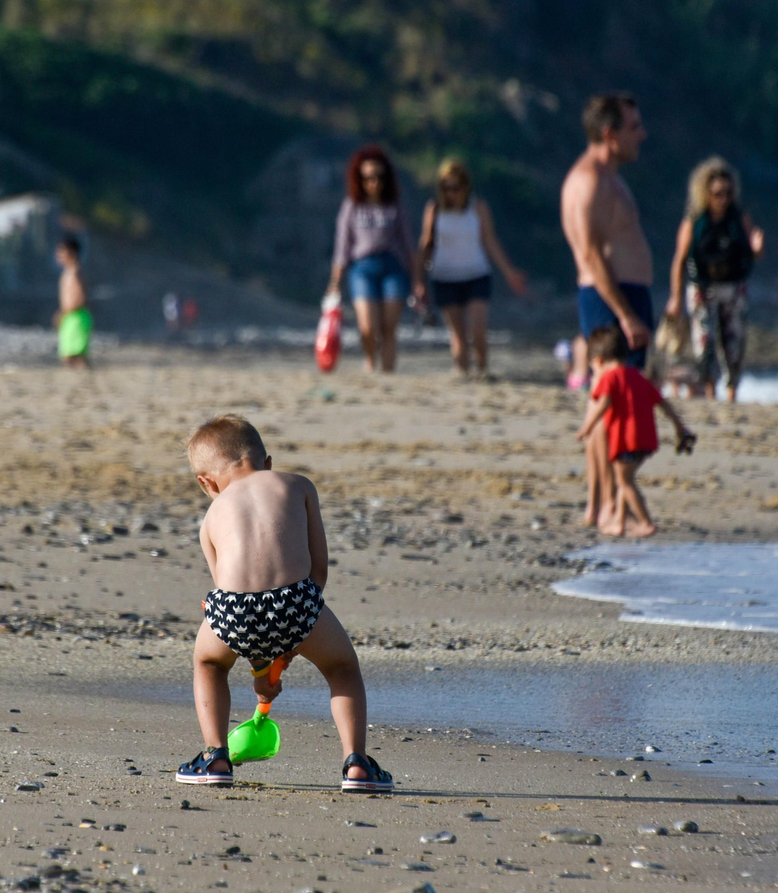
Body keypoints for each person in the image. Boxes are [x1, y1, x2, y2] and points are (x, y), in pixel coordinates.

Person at [177, 415, 394, 793]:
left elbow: (235, 595)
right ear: (268, 463)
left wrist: (264, 669)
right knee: (342, 667)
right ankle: (356, 763)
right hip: (297, 600)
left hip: (235, 612)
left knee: (209, 662)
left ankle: (215, 757)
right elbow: (318, 569)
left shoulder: (210, 517)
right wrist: (293, 637)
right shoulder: (298, 486)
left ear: (206, 482)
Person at [562, 91, 655, 523]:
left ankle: (611, 502)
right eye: (634, 127)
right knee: (607, 403)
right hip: (610, 299)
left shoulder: (608, 176)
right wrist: (626, 314)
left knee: (618, 405)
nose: (643, 134)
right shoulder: (590, 180)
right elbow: (591, 255)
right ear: (608, 133)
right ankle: (600, 504)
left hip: (622, 297)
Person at [575, 327, 695, 538]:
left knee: (625, 483)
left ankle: (645, 522)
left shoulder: (609, 379)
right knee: (625, 480)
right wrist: (680, 427)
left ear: (599, 361)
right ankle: (618, 523)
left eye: (593, 368)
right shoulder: (639, 377)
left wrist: (587, 427)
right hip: (645, 443)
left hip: (625, 442)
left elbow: (604, 404)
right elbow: (663, 403)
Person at [415, 158, 528, 379]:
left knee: (477, 331)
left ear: (465, 186)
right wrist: (418, 281)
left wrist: (510, 273)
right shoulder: (434, 209)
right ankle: (462, 374)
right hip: (444, 277)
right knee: (458, 335)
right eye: (446, 187)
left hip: (476, 274)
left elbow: (491, 242)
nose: (451, 193)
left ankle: (483, 371)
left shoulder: (478, 207)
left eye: (456, 187)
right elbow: (425, 246)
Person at [666, 157, 763, 401]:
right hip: (702, 287)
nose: (723, 199)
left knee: (734, 340)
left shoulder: (738, 218)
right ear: (705, 193)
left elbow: (751, 253)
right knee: (704, 341)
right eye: (717, 193)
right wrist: (675, 298)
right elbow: (679, 260)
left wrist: (757, 248)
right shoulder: (695, 221)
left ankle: (731, 392)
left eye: (728, 193)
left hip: (733, 286)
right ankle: (710, 390)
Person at [328, 145, 415, 373]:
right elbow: (342, 248)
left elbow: (408, 246)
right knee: (368, 327)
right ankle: (369, 361)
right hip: (362, 268)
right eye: (367, 177)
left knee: (389, 328)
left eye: (378, 176)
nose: (373, 182)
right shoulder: (351, 206)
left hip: (393, 267)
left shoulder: (395, 206)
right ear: (359, 178)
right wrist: (335, 283)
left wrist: (418, 281)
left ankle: (387, 374)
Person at [54, 234, 92, 369]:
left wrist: (64, 312)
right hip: (71, 315)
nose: (58, 255)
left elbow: (80, 296)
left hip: (76, 315)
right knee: (68, 353)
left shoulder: (75, 272)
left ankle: (85, 378)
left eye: (61, 251)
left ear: (72, 253)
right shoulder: (69, 272)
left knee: (75, 354)